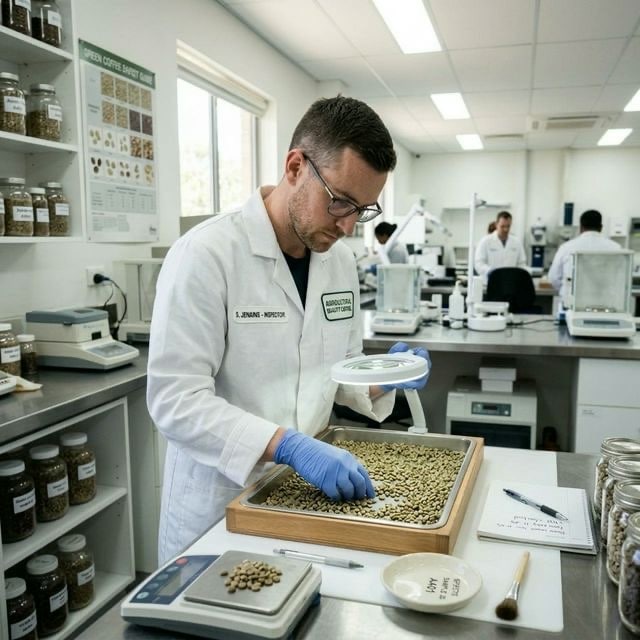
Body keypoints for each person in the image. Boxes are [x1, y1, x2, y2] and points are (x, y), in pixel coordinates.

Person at [147, 96, 431, 564]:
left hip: (306, 500)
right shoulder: (206, 255)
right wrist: (287, 445)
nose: (346, 224)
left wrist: (384, 377)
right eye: (339, 201)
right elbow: (175, 401)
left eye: (362, 210)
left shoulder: (340, 261)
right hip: (219, 507)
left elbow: (332, 374)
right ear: (295, 166)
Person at [548, 209, 622, 303]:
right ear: (601, 228)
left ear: (581, 227)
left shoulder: (566, 247)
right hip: (605, 304)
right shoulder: (616, 248)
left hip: (572, 304)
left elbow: (553, 278)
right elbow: (620, 279)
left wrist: (566, 291)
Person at [474, 211, 527, 278]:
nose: (506, 229)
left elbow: (521, 264)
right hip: (491, 281)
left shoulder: (516, 242)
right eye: (502, 226)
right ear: (496, 224)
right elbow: (479, 264)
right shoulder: (485, 241)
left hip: (511, 282)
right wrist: (491, 271)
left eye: (508, 226)